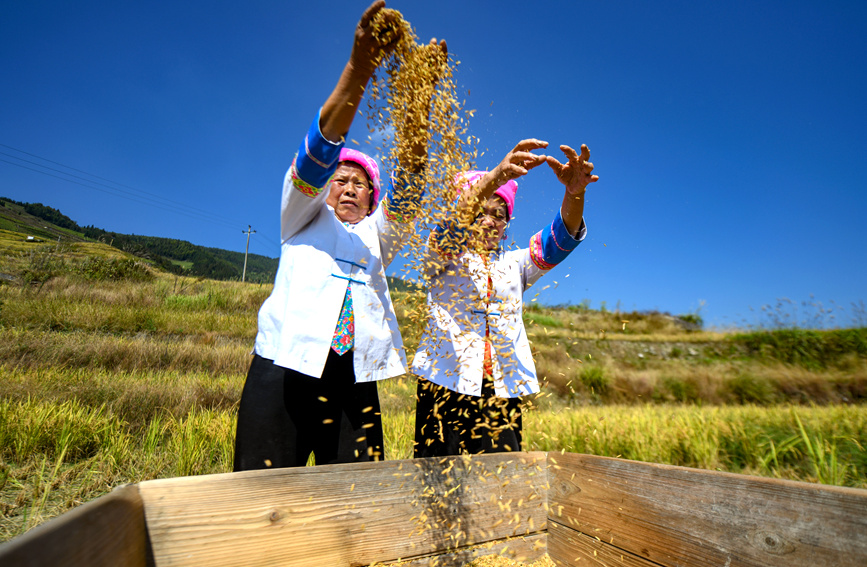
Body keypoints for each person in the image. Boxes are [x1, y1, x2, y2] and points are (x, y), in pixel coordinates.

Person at [234, 1, 446, 471]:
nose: (349, 188)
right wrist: (360, 68)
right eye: (340, 181)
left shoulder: (377, 235)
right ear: (323, 189)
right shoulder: (301, 217)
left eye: (361, 185)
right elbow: (318, 154)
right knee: (262, 495)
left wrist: (420, 106)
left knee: (359, 498)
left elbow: (410, 185)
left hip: (355, 379)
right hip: (285, 369)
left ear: (373, 199)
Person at [411, 139, 599, 457]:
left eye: (498, 215)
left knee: (503, 487)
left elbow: (561, 239)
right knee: (438, 485)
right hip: (443, 384)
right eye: (479, 212)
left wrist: (574, 193)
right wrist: (497, 177)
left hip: (500, 391)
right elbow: (449, 230)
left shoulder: (513, 264)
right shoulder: (440, 255)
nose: (488, 222)